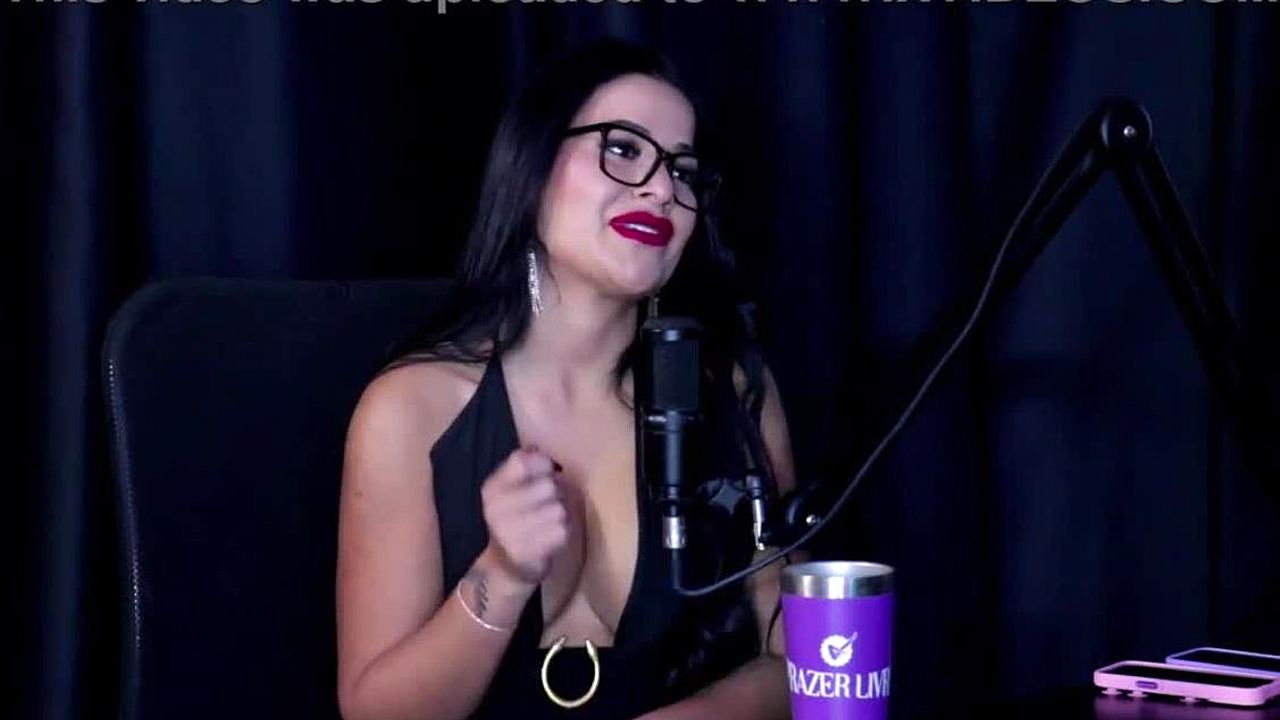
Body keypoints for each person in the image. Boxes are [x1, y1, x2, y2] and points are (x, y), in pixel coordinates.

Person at [335, 38, 800, 720]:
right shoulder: (411, 409)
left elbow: (804, 661)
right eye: (623, 148)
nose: (661, 189)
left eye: (684, 171)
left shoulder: (730, 394)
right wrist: (503, 575)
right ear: (532, 166)